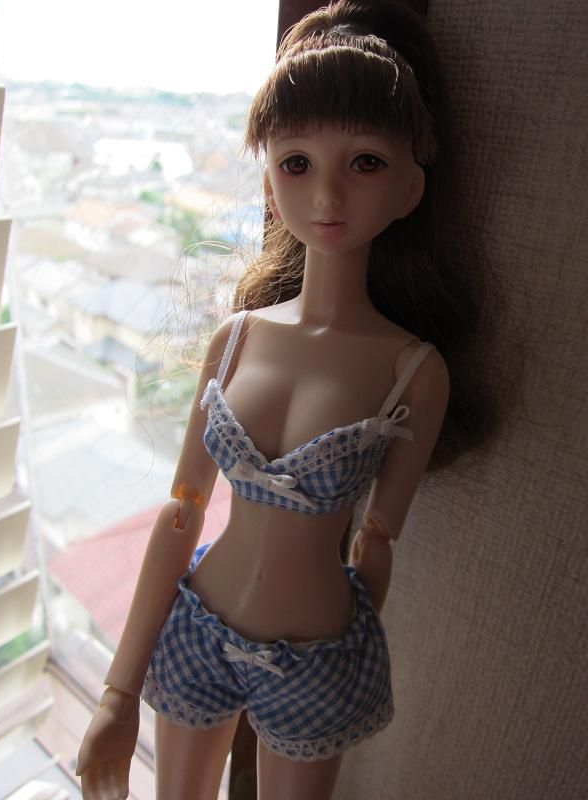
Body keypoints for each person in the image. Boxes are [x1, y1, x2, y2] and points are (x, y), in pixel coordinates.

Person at [76, 2, 491, 798]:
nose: (327, 193)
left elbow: (376, 540)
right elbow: (183, 508)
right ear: (269, 180)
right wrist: (117, 693)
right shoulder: (236, 338)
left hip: (318, 654)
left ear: (410, 187)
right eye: (296, 163)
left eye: (365, 162)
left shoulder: (413, 370)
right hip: (197, 625)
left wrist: (342, 661)